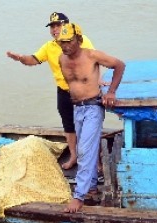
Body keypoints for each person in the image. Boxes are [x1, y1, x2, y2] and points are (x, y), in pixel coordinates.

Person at [6, 12, 95, 170]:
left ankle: (95, 160)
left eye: (58, 25)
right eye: (52, 26)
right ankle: (74, 155)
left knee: (88, 126)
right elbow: (33, 59)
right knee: (69, 125)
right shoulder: (49, 46)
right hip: (63, 91)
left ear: (67, 26)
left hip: (83, 91)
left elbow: (94, 60)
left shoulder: (81, 40)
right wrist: (20, 57)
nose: (55, 29)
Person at [57, 23, 125, 213]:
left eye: (69, 41)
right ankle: (92, 187)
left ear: (78, 39)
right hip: (77, 108)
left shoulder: (92, 55)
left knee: (85, 150)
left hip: (93, 107)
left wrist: (110, 92)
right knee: (84, 147)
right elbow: (73, 84)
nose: (65, 46)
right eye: (61, 42)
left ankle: (79, 196)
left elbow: (119, 65)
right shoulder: (61, 59)